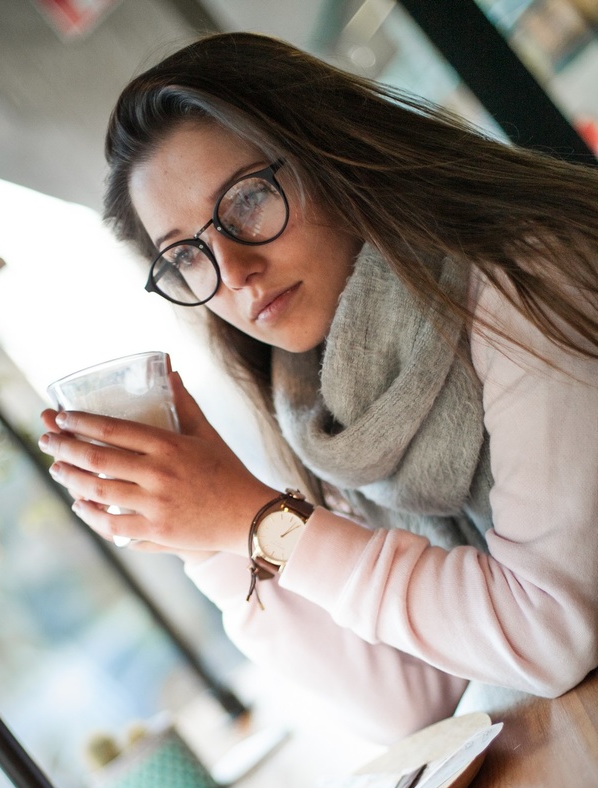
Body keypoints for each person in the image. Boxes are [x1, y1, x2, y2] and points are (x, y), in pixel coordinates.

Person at [39, 31, 598, 741]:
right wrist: (201, 538)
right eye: (185, 255)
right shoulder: (328, 399)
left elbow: (549, 633)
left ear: (330, 151)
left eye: (244, 202)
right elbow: (412, 696)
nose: (233, 272)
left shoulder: (526, 273)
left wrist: (255, 517)